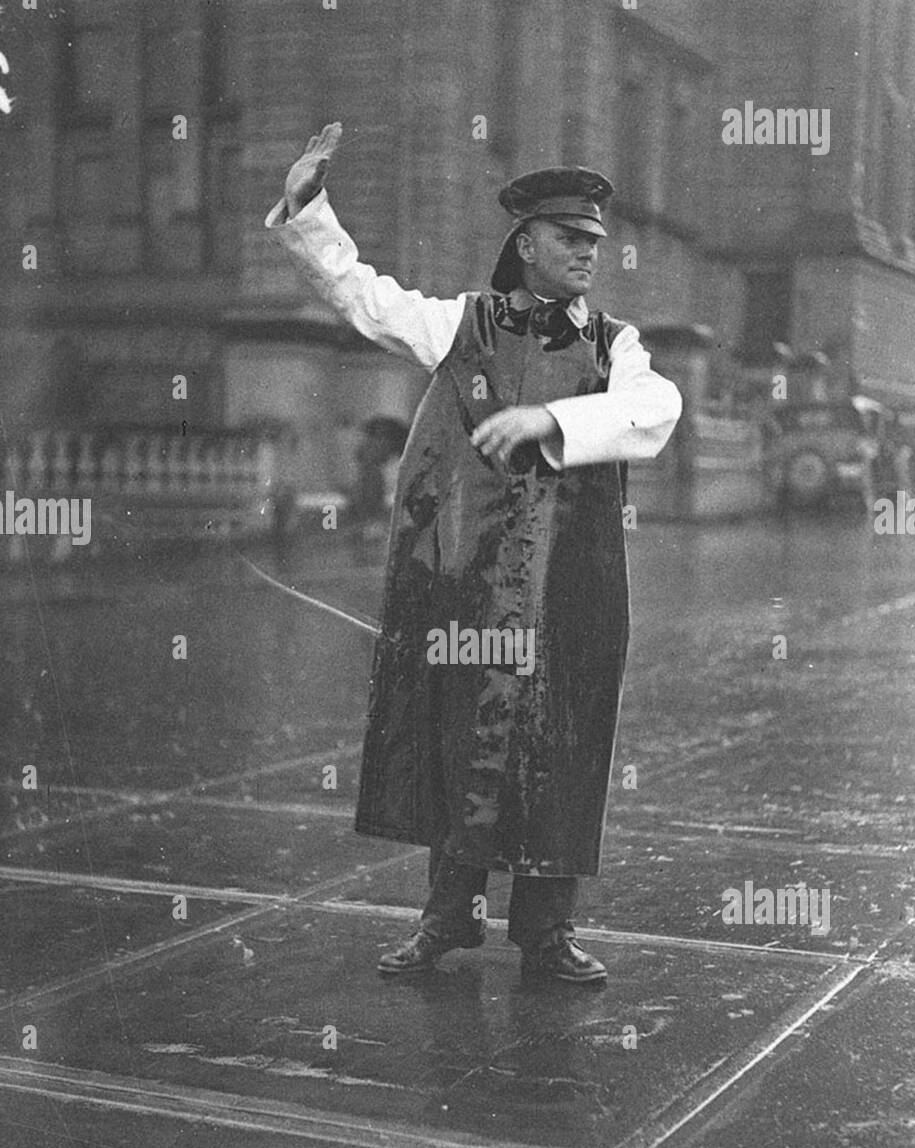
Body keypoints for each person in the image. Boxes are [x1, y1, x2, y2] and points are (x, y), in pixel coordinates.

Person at [266, 124, 682, 983]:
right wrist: (310, 207)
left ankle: (545, 932)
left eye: (594, 242)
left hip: (572, 583)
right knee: (464, 733)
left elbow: (656, 409)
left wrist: (551, 422)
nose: (587, 254)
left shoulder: (615, 345)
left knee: (561, 740)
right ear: (523, 243)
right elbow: (365, 298)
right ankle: (445, 918)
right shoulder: (466, 324)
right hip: (471, 579)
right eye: (569, 238)